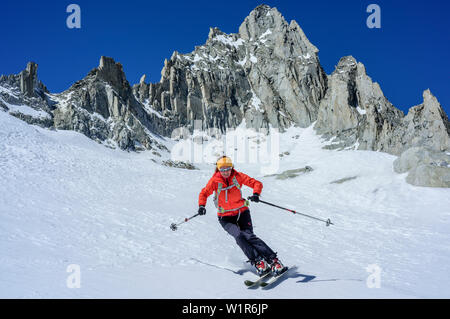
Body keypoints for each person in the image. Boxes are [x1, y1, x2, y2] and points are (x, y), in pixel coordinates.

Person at [198, 156, 286, 276]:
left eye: (228, 168)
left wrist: (256, 194)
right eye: (222, 169)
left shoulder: (237, 176)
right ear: (218, 169)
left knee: (249, 236)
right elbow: (204, 193)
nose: (225, 171)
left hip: (242, 212)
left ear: (232, 167)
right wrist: (202, 206)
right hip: (225, 218)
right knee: (239, 236)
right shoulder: (214, 181)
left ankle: (274, 261)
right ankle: (259, 262)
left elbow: (256, 183)